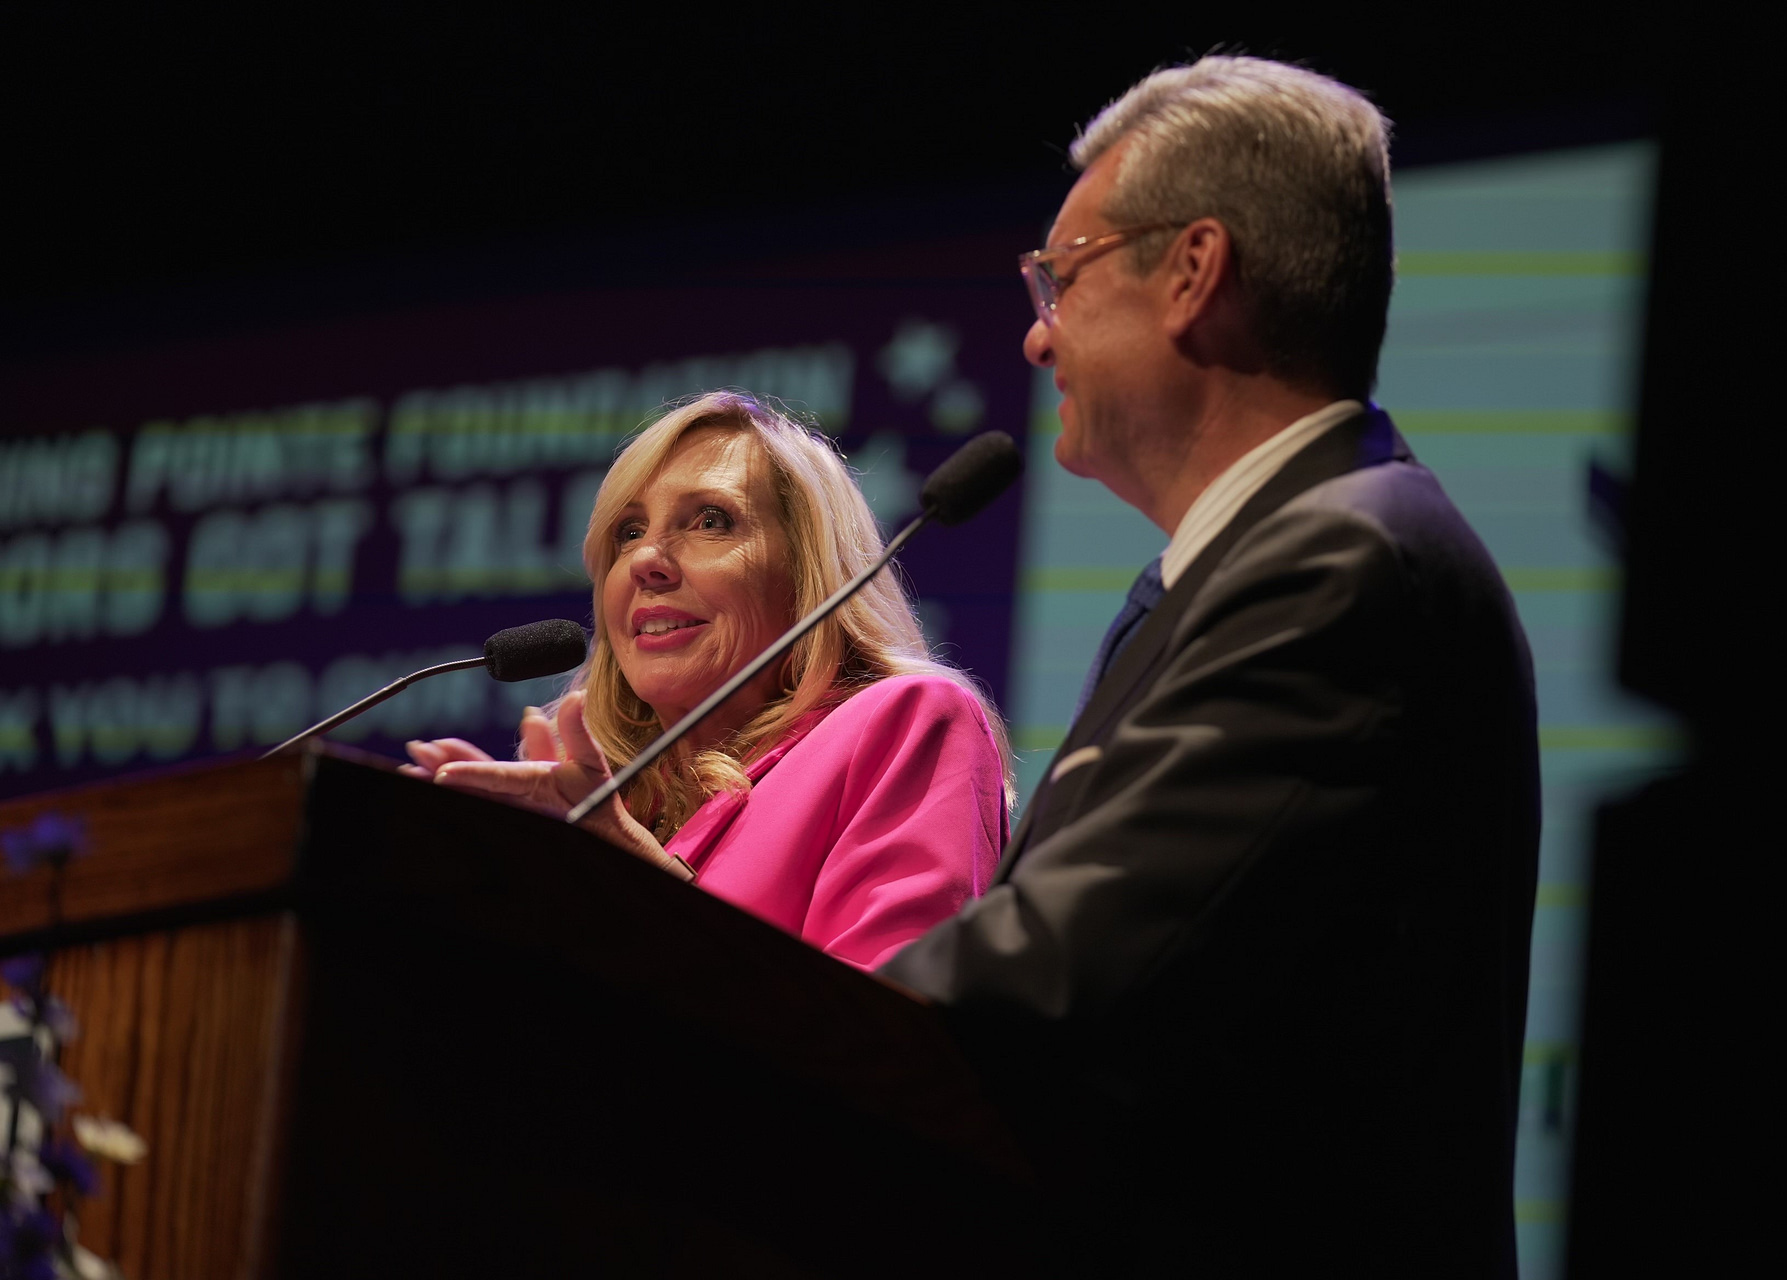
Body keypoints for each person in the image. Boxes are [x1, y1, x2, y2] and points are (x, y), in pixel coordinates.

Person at [879, 57, 1541, 1273]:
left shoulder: (1343, 564)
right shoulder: (1249, 569)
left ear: (1193, 272)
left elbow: (1046, 990)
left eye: (1060, 277)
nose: (1034, 334)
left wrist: (681, 979)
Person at [406, 391, 1012, 972]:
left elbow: (889, 1041)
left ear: (808, 574)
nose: (646, 559)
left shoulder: (906, 721)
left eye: (711, 521)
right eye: (628, 532)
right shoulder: (597, 805)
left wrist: (637, 886)